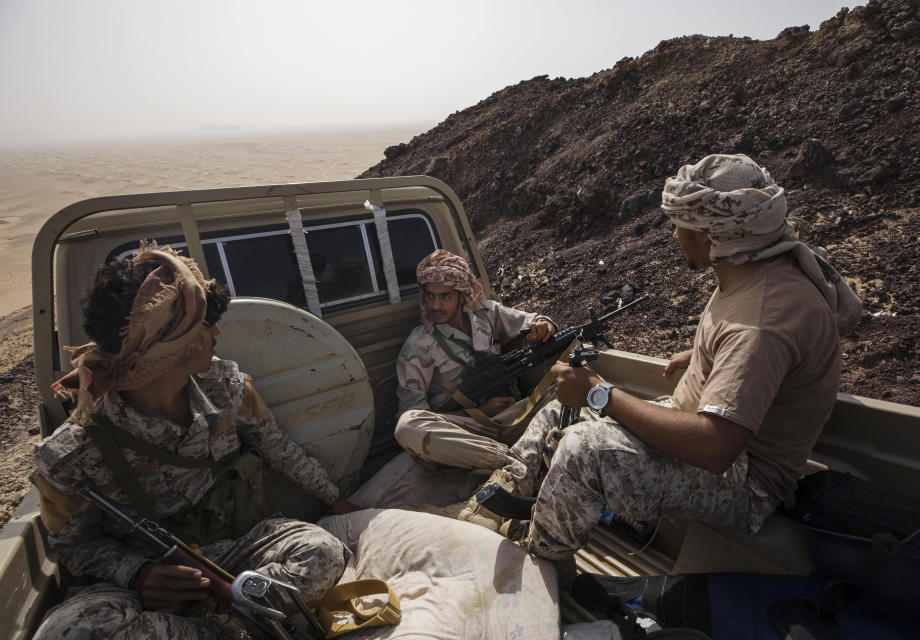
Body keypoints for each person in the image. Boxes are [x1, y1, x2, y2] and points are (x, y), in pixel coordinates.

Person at [458, 153, 862, 566]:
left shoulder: (759, 324)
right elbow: (748, 349)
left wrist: (600, 394)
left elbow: (715, 448)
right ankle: (492, 506)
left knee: (584, 449)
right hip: (707, 431)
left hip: (745, 481)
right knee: (559, 409)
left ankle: (543, 559)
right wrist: (706, 354)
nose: (674, 238)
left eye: (680, 227)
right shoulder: (755, 264)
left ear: (711, 238)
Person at [31, 242, 359, 640]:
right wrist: (139, 572)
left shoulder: (226, 387)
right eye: (206, 324)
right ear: (171, 346)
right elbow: (72, 545)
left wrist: (334, 498)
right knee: (69, 631)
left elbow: (277, 447)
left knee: (322, 554)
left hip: (236, 549)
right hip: (147, 581)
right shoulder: (72, 453)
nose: (217, 332)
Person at [394, 249, 557, 472]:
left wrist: (544, 326)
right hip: (468, 431)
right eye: (430, 296)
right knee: (407, 426)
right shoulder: (419, 344)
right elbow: (413, 411)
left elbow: (534, 320)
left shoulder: (486, 313)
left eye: (445, 296)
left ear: (463, 295)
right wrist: (478, 413)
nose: (435, 306)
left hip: (514, 412)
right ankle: (509, 463)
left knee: (567, 380)